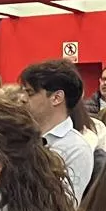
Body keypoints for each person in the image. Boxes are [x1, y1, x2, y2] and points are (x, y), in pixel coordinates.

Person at [20, 60, 95, 201]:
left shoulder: (76, 149)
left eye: (30, 93)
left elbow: (63, 206)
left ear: (56, 98)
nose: (22, 99)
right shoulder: (20, 136)